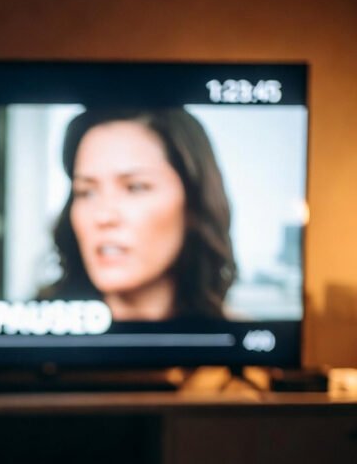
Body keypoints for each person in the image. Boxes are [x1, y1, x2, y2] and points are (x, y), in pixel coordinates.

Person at [42, 107, 237, 320]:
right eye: (86, 192)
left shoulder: (239, 339)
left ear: (192, 202)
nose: (103, 217)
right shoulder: (32, 334)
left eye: (135, 187)